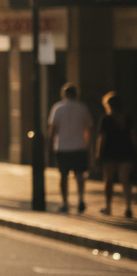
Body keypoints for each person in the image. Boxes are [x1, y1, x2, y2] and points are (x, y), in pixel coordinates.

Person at [48, 83, 93, 213]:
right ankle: (80, 199)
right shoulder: (82, 107)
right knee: (79, 175)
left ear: (64, 94)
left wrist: (50, 145)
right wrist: (86, 142)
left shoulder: (58, 108)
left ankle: (65, 202)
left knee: (63, 175)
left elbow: (53, 129)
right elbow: (88, 127)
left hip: (62, 146)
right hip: (79, 146)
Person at [94, 92, 136, 218]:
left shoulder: (106, 119)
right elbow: (134, 136)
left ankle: (108, 206)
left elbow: (102, 138)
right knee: (125, 180)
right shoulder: (128, 118)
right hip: (126, 153)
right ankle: (128, 207)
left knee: (109, 180)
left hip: (110, 153)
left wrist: (98, 155)